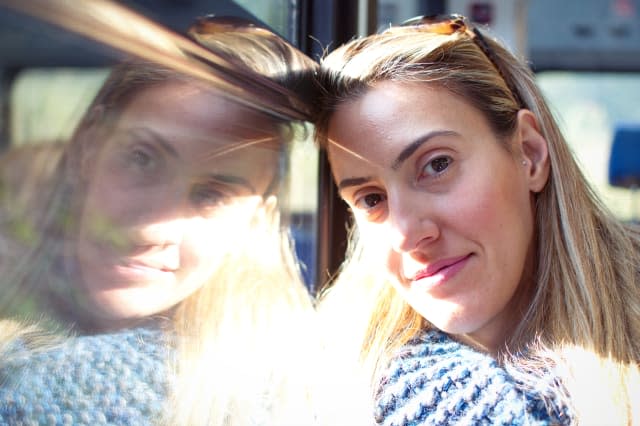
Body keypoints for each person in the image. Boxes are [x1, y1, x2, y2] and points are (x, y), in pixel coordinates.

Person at [314, 14, 640, 425]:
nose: (405, 234)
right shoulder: (331, 383)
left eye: (436, 166)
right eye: (371, 198)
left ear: (530, 153)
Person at [0, 15, 319, 426]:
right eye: (141, 159)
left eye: (212, 195)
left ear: (255, 216)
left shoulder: (277, 389)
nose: (154, 228)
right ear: (88, 149)